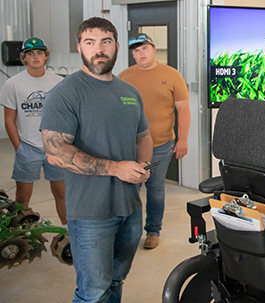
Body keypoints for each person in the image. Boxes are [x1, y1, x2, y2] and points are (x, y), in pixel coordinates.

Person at [40, 17, 152, 303]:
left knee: (116, 280)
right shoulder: (66, 93)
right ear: (80, 48)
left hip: (129, 208)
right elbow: (55, 150)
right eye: (90, 42)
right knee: (93, 292)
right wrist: (116, 168)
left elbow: (144, 136)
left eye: (105, 42)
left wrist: (144, 167)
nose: (98, 49)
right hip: (91, 213)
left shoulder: (129, 92)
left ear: (116, 46)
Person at [119, 33, 190, 249]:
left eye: (144, 49)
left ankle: (153, 231)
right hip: (129, 146)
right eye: (136, 50)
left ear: (153, 48)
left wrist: (183, 140)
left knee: (155, 188)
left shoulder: (172, 75)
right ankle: (127, 233)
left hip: (160, 145)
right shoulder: (123, 76)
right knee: (129, 189)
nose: (141, 53)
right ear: (132, 53)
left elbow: (183, 109)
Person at [0, 37, 67, 226]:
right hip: (28, 146)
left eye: (39, 52)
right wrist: (19, 147)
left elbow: (66, 115)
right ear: (24, 58)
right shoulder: (13, 84)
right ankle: (20, 231)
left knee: (61, 192)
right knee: (22, 195)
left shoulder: (58, 83)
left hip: (54, 146)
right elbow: (9, 120)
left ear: (46, 56)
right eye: (30, 53)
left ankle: (69, 231)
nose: (36, 56)